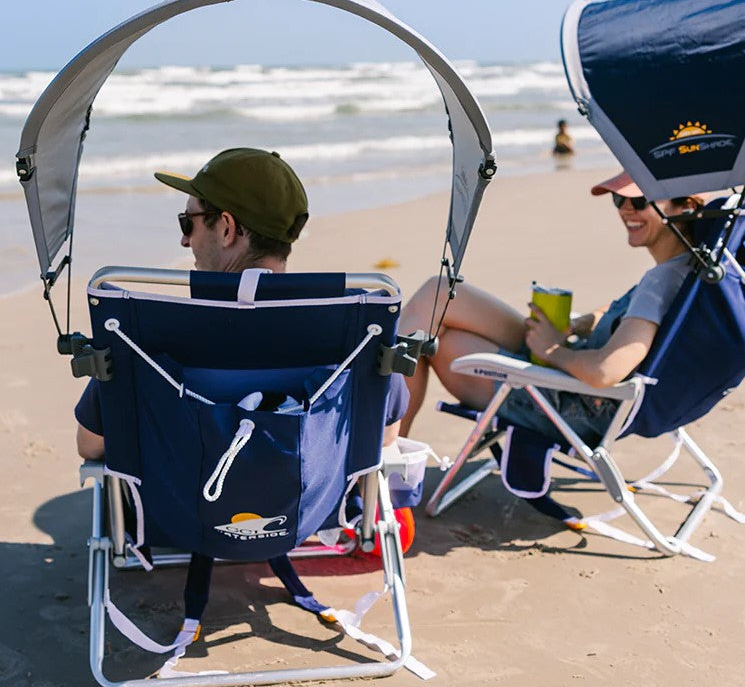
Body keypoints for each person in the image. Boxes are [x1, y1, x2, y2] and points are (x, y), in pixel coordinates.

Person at [76, 147, 408, 459]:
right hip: (310, 515)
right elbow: (385, 434)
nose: (183, 239)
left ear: (226, 228)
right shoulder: (356, 321)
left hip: (175, 515)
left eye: (187, 222)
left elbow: (90, 445)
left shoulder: (148, 326)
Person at [397, 171, 704, 444]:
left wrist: (553, 350)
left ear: (685, 207)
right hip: (573, 378)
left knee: (441, 337)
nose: (625, 209)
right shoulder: (688, 273)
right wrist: (584, 322)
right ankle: (389, 458)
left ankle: (386, 460)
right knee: (438, 294)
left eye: (639, 202)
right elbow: (635, 325)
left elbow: (604, 371)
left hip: (572, 405)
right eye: (618, 199)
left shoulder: (660, 283)